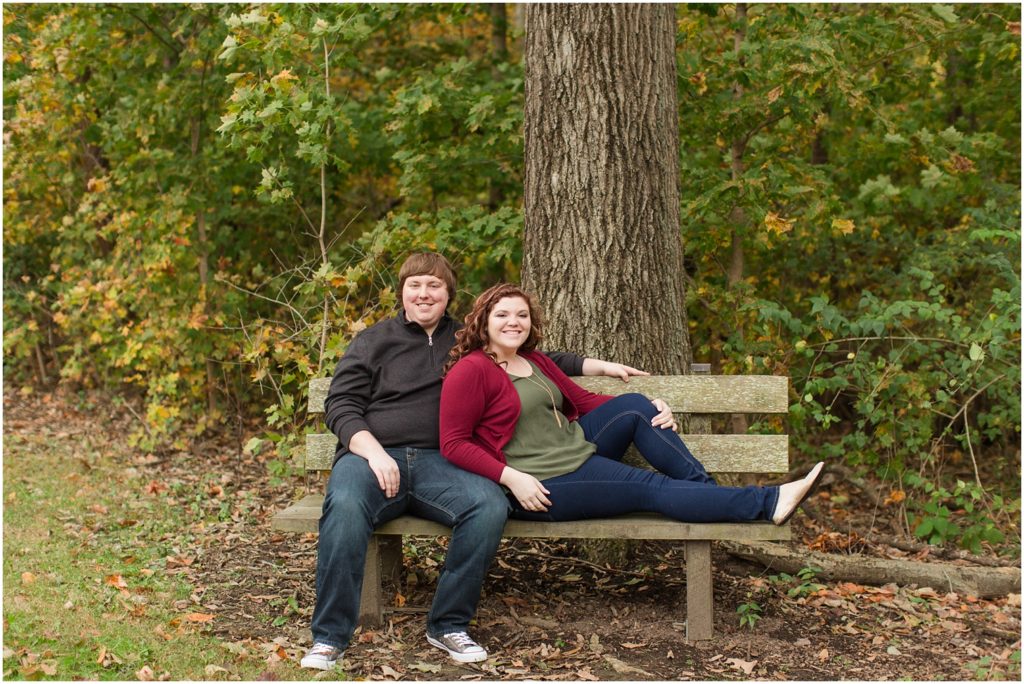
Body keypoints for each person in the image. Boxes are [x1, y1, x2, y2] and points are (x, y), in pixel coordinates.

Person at [301, 254, 646, 670]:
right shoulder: (373, 341)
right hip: (373, 458)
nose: (424, 294)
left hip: (443, 460)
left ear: (448, 295)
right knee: (345, 507)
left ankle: (447, 624)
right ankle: (329, 637)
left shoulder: (469, 339)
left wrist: (602, 366)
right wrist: (371, 451)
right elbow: (340, 404)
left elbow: (542, 358)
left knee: (488, 505)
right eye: (415, 285)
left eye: (434, 286)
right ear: (402, 292)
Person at [439, 283, 825, 528]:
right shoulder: (471, 370)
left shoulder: (535, 360)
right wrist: (511, 478)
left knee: (637, 406)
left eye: (522, 315)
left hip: (572, 451)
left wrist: (657, 404)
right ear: (483, 321)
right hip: (541, 482)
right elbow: (453, 443)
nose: (514, 322)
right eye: (502, 314)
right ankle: (766, 501)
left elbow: (585, 401)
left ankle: (706, 498)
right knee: (652, 489)